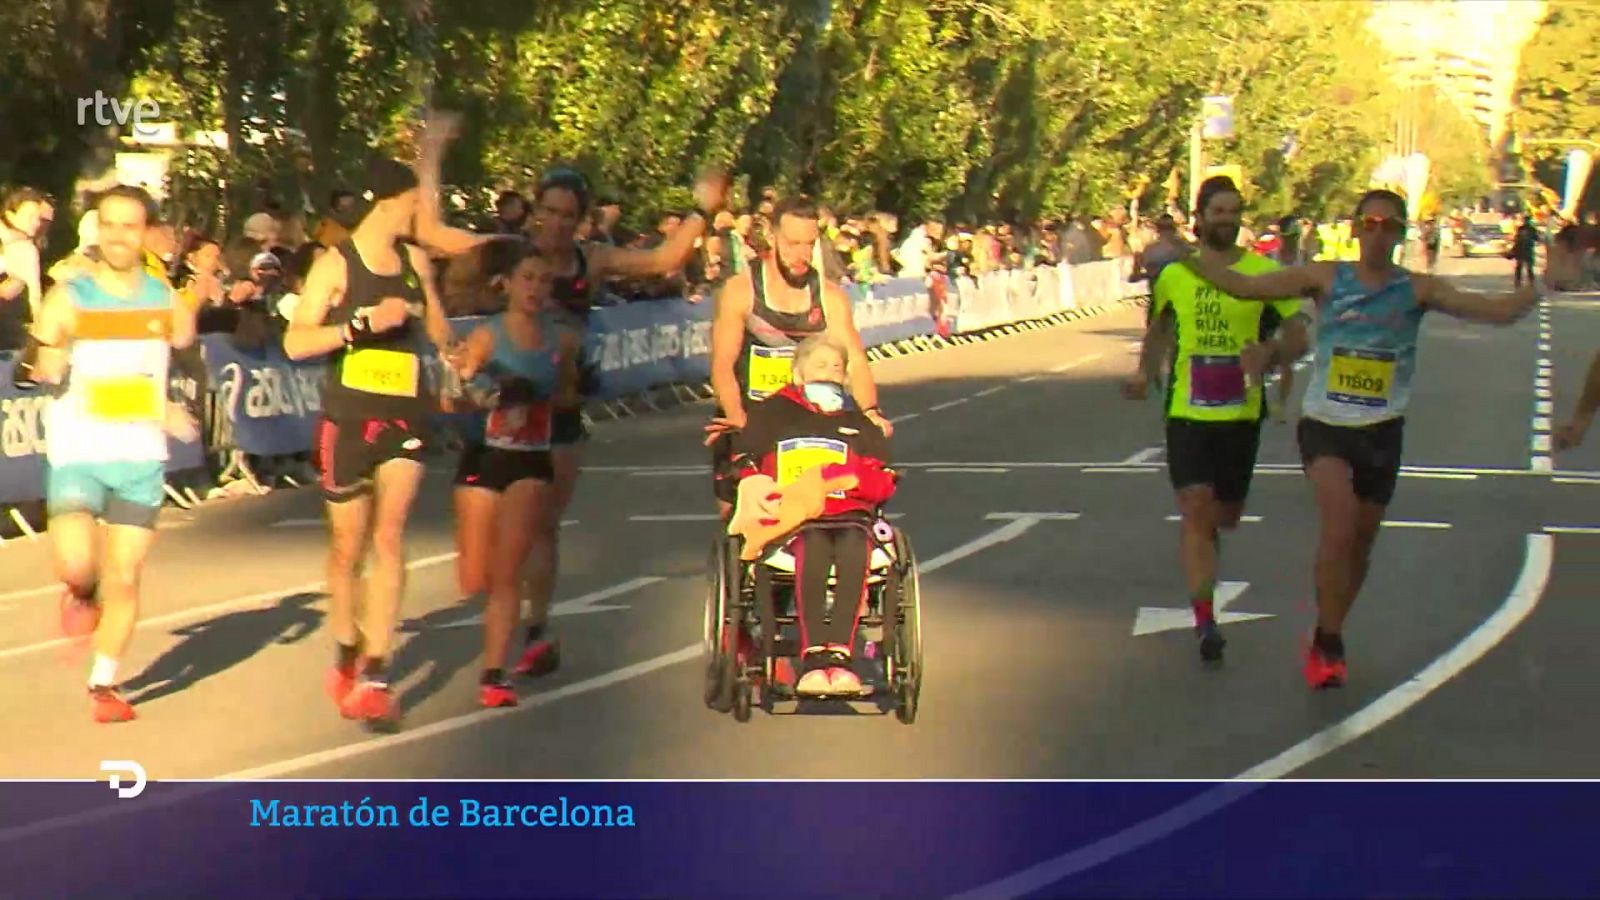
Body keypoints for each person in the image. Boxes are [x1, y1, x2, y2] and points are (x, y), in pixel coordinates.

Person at [1181, 188, 1537, 689]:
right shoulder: (1327, 276)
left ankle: (1329, 632)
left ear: (1400, 234)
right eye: (1369, 222)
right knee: (1340, 525)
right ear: (1354, 228)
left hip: (1381, 431)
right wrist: (1185, 258)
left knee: (1361, 545)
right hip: (1326, 426)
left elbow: (1498, 312)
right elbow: (1241, 286)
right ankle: (1328, 645)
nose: (1378, 232)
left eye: (1390, 225)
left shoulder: (1418, 289)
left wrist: (1544, 286)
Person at [415, 110, 728, 671]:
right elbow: (436, 234)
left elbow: (663, 260)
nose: (555, 225)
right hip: (502, 406)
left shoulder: (593, 259)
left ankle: (535, 630)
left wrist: (703, 209)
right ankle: (514, 611)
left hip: (560, 406)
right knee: (482, 551)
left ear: (582, 221)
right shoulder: (510, 251)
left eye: (567, 216)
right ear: (535, 212)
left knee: (541, 523)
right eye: (548, 212)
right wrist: (431, 153)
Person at [284, 157, 458, 730]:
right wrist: (358, 326)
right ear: (393, 203)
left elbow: (438, 332)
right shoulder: (337, 264)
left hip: (403, 416)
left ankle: (379, 674)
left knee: (389, 536)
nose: (421, 214)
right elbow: (296, 342)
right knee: (347, 548)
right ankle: (346, 646)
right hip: (349, 419)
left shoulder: (414, 262)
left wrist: (452, 358)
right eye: (415, 203)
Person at [1123, 176, 1310, 664]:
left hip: (1240, 413)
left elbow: (1299, 334)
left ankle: (1207, 576)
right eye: (1218, 211)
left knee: (1224, 516)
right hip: (1187, 411)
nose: (1226, 218)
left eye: (1233, 211)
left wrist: (1269, 351)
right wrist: (1144, 374)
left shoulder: (1263, 272)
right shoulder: (1174, 275)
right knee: (1195, 509)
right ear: (1200, 218)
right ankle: (1205, 620)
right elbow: (1159, 330)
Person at [29, 185, 199, 722]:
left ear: (147, 233)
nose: (119, 236)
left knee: (126, 576)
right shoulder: (71, 294)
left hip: (140, 459)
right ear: (97, 229)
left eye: (131, 226)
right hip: (79, 450)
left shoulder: (165, 299)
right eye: (110, 224)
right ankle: (81, 594)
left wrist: (179, 403)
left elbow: (188, 351)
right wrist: (43, 362)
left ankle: (104, 684)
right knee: (78, 567)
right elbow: (38, 359)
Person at [726, 334, 898, 696]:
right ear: (798, 374)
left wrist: (845, 479)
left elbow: (882, 477)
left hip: (850, 514)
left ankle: (840, 655)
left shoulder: (858, 421)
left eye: (837, 367)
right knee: (813, 548)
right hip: (796, 517)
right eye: (820, 365)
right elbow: (745, 461)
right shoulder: (772, 412)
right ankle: (814, 656)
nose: (830, 373)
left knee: (854, 549)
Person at [445, 246, 580, 706]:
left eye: (544, 281)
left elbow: (566, 400)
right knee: (474, 576)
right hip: (484, 457)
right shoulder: (487, 336)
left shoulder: (561, 341)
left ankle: (494, 673)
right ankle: (506, 651)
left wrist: (547, 399)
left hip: (529, 459)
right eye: (528, 279)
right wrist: (489, 395)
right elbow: (454, 396)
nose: (537, 289)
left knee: (507, 572)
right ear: (508, 283)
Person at [707, 195, 893, 519]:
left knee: (836, 496)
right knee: (733, 512)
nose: (801, 255)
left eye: (809, 244)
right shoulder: (741, 291)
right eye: (792, 244)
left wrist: (871, 412)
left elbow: (856, 361)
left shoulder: (829, 297)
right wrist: (737, 416)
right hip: (753, 415)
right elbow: (723, 365)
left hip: (809, 416)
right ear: (772, 236)